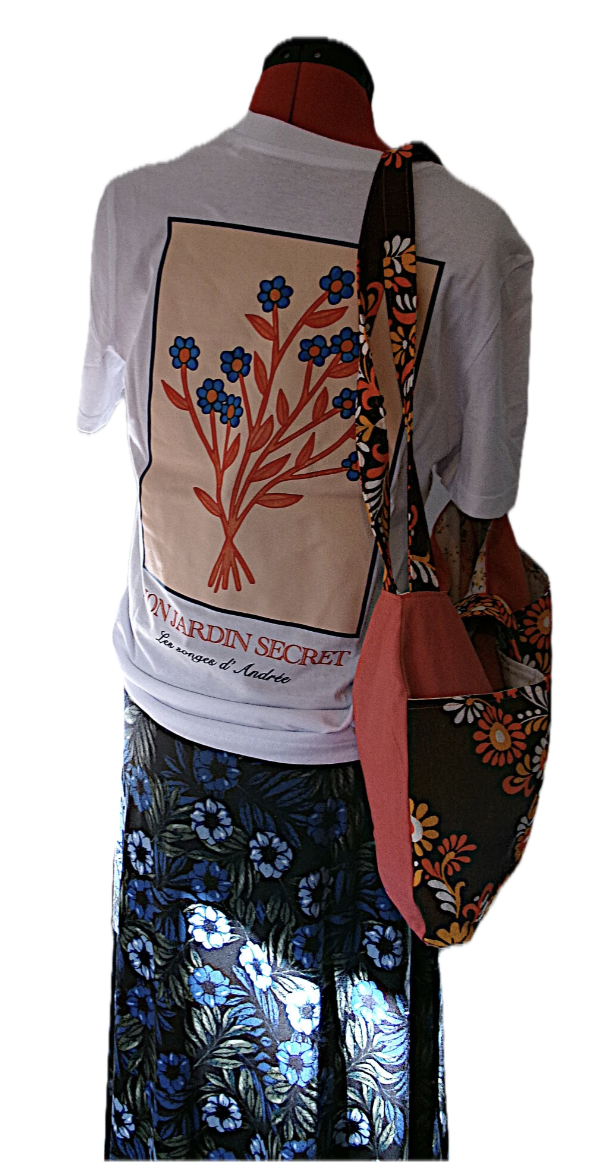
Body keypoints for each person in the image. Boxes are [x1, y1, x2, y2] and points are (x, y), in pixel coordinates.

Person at [79, 33, 535, 1162]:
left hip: (178, 732)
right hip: (358, 746)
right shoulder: (472, 235)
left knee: (178, 1064)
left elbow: (102, 415)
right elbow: (482, 503)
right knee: (342, 1081)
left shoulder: (138, 199)